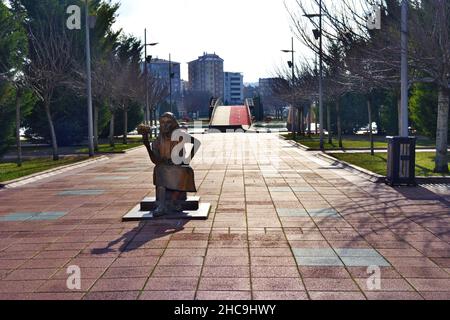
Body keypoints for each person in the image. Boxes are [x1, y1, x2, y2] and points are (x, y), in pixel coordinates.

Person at [138, 112, 199, 217]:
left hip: (178, 166)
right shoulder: (157, 141)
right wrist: (147, 145)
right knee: (159, 170)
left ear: (174, 124)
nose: (165, 125)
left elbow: (196, 143)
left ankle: (174, 200)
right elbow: (155, 160)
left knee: (185, 172)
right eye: (162, 122)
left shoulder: (180, 135)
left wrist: (187, 159)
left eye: (168, 122)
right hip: (164, 166)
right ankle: (161, 205)